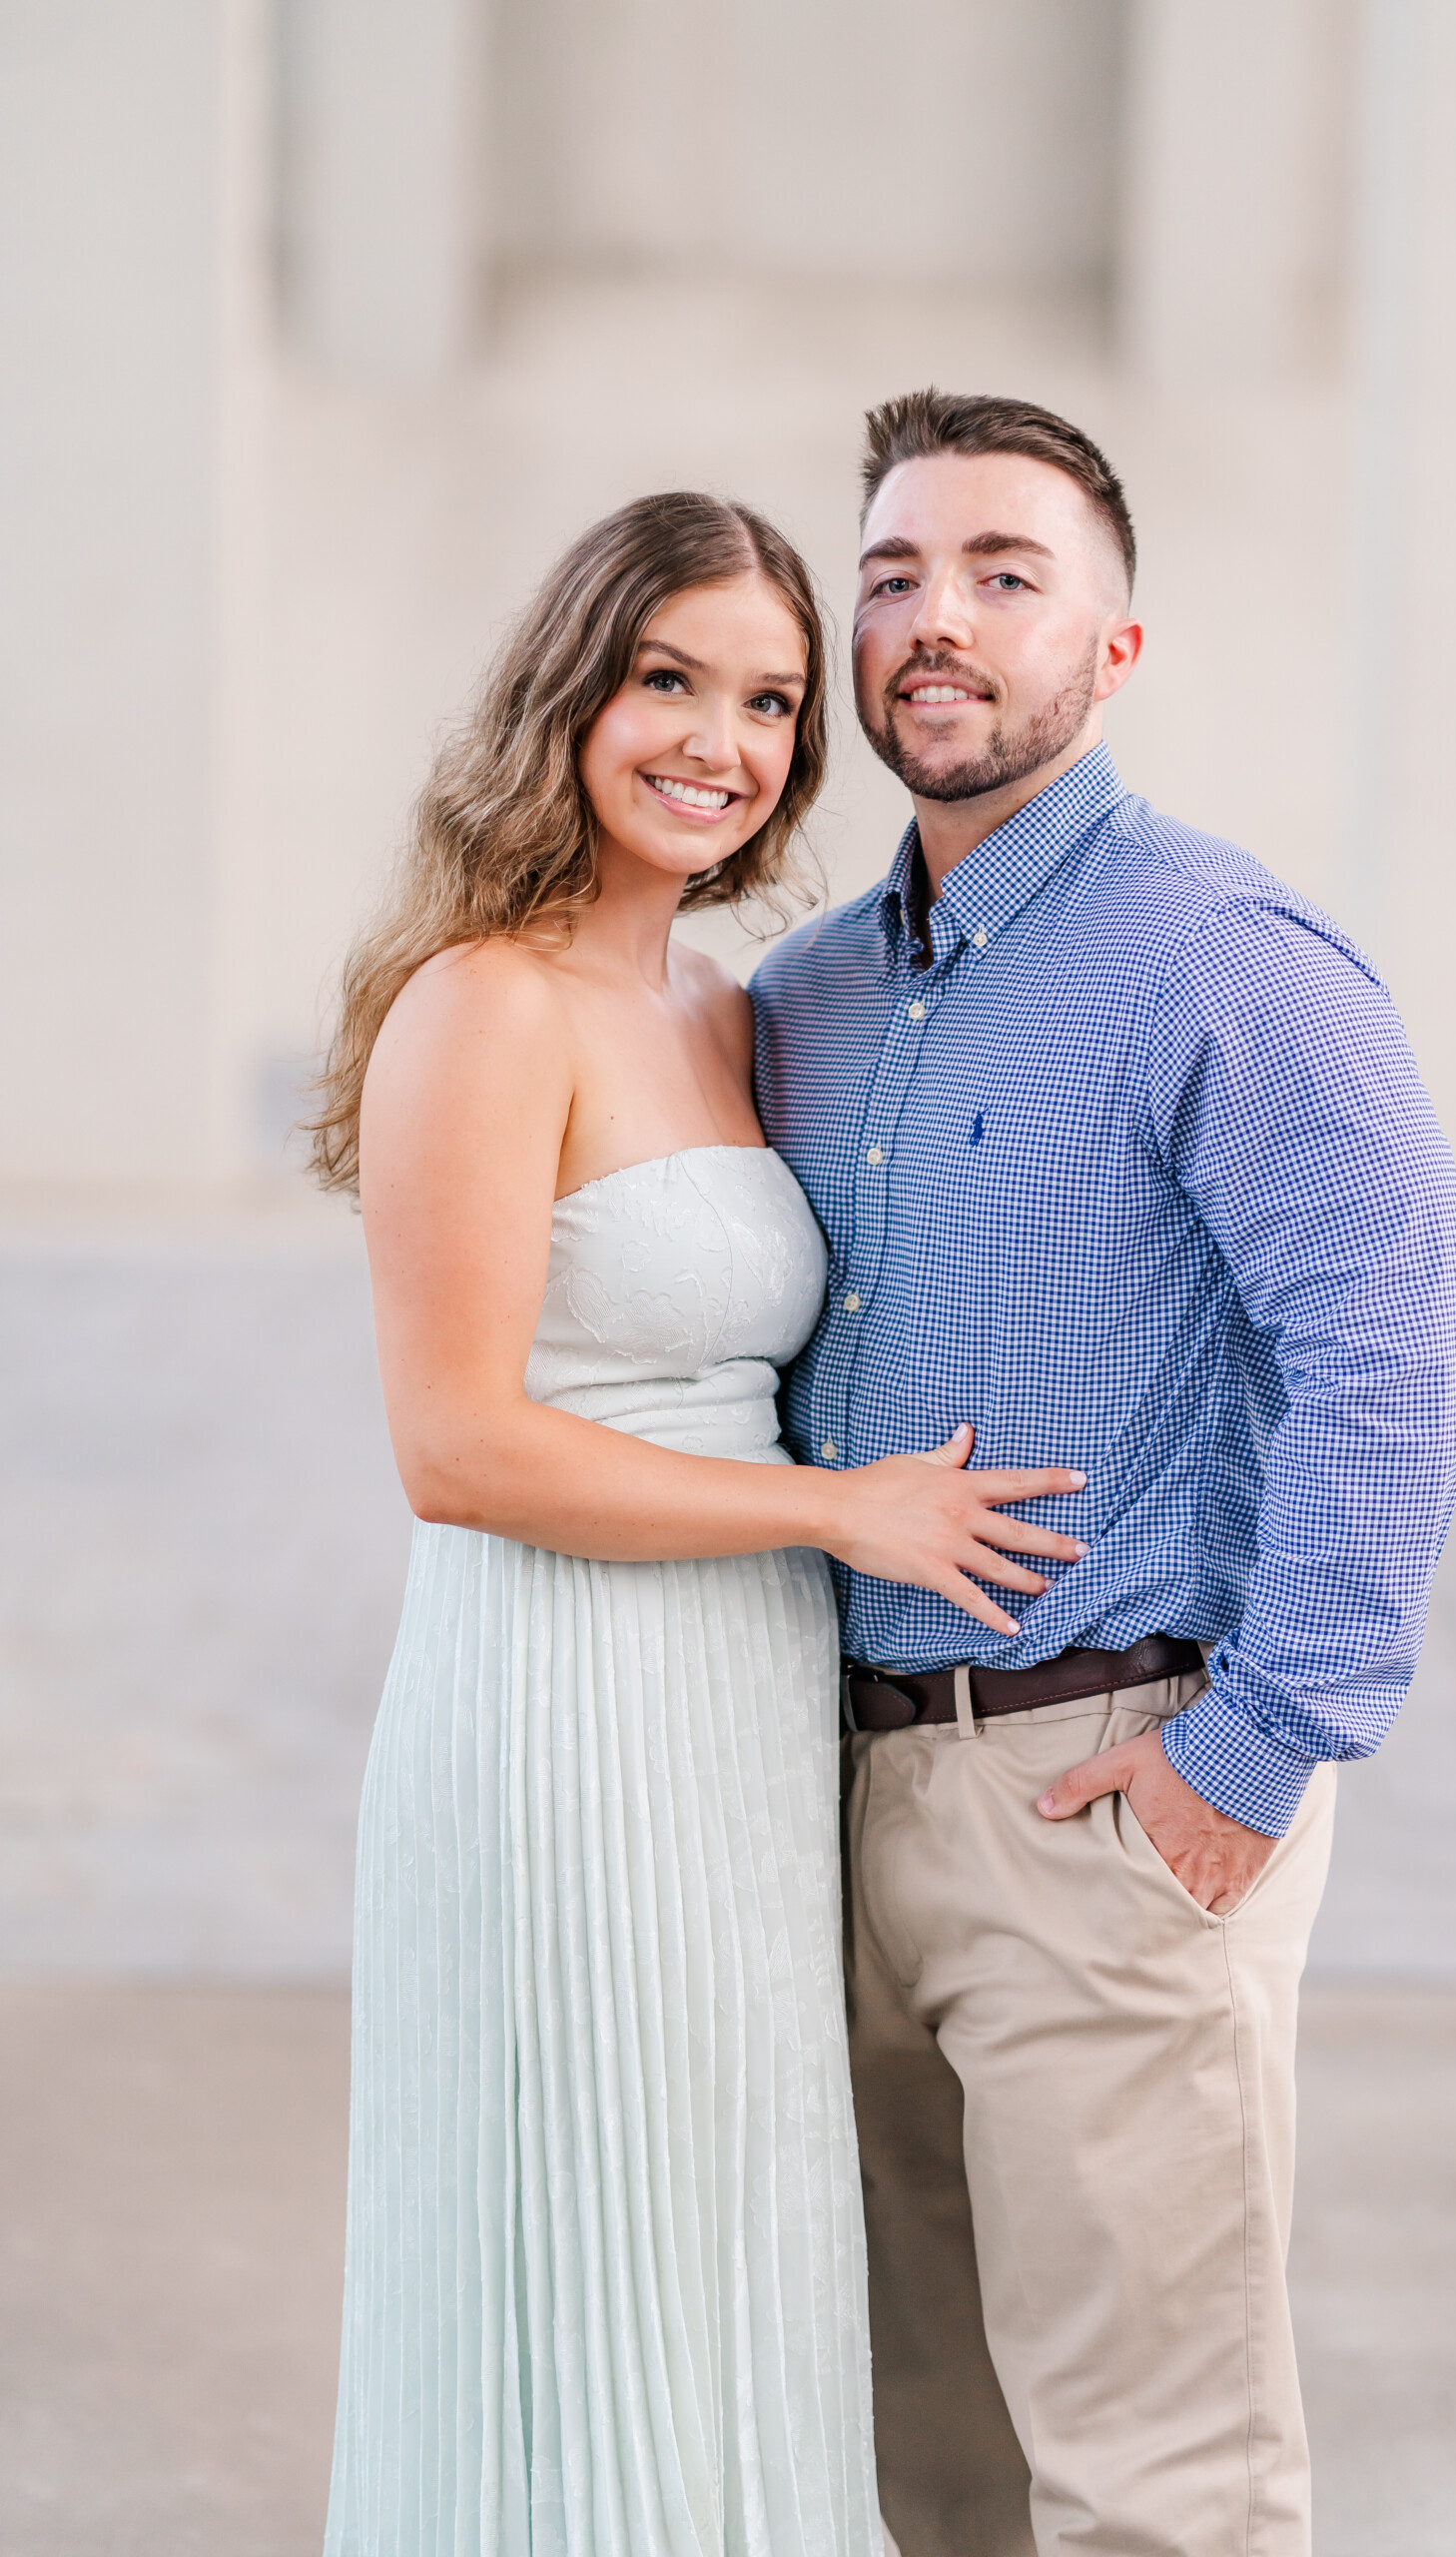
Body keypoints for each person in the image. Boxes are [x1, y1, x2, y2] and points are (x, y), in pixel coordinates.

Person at [307, 489, 1086, 2557]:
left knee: (730, 2234)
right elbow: (456, 1443)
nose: (713, 740)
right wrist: (843, 1508)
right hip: (558, 1710)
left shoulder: (729, 1010)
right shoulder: (480, 1005)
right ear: (570, 689)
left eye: (761, 700)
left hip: (740, 1717)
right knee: (580, 2246)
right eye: (665, 679)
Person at [751, 393, 1456, 2557]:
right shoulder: (800, 998)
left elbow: (1396, 1351)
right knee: (933, 2476)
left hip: (1102, 1795)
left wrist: (1245, 1756)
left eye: (1003, 572)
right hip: (834, 1813)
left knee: (1153, 2494)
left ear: (1115, 644)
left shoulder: (1214, 954)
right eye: (891, 574)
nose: (933, 621)